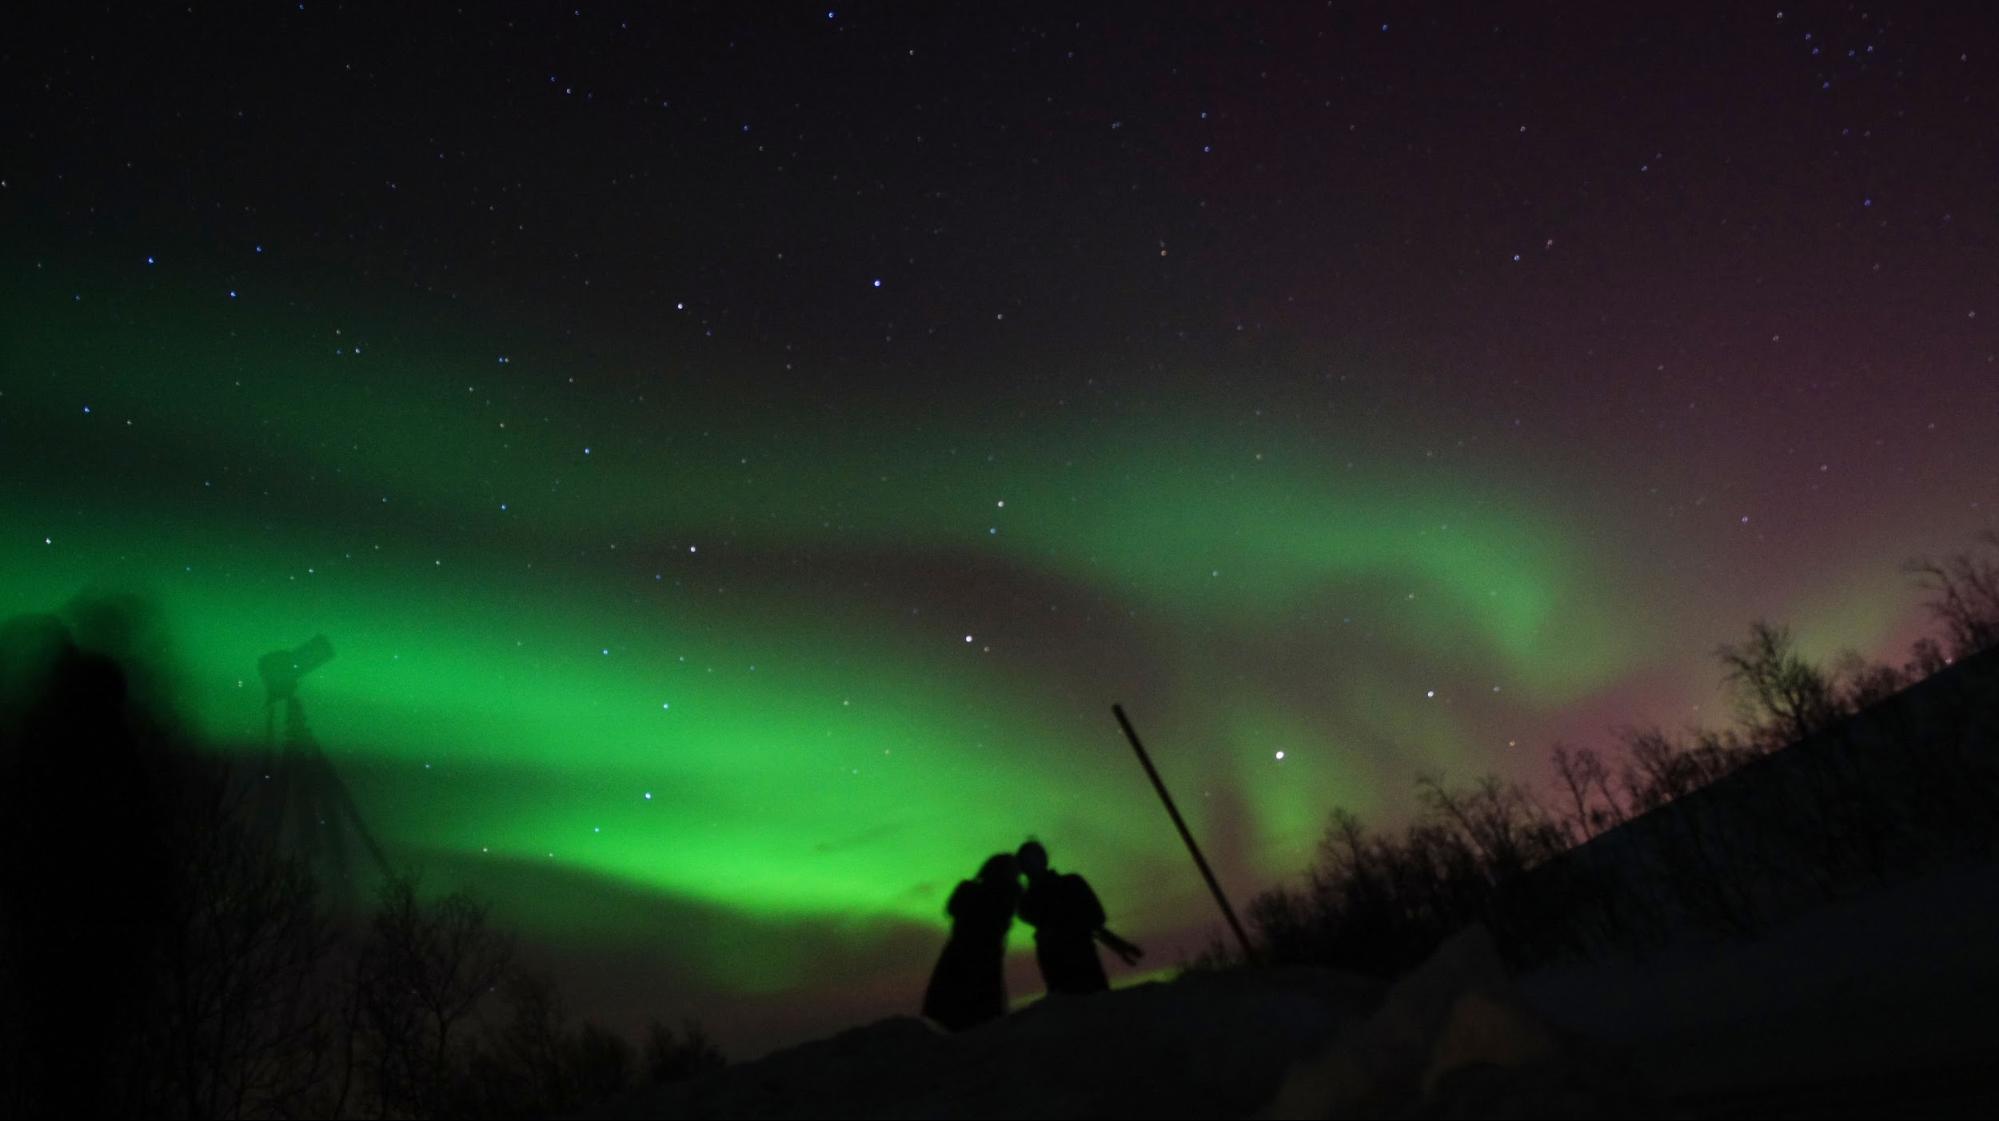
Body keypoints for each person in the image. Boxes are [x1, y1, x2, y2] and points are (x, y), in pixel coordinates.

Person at [1015, 839, 1142, 995]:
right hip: (1058, 966)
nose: (1030, 865)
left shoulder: (1071, 883)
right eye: (1026, 861)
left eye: (1033, 859)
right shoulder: (1027, 899)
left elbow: (1095, 919)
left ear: (1043, 859)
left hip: (1082, 961)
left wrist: (1118, 944)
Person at [920, 852, 1022, 1031]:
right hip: (972, 955)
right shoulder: (1001, 893)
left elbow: (952, 909)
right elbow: (954, 910)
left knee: (968, 1012)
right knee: (975, 1012)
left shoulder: (980, 890)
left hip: (971, 956)